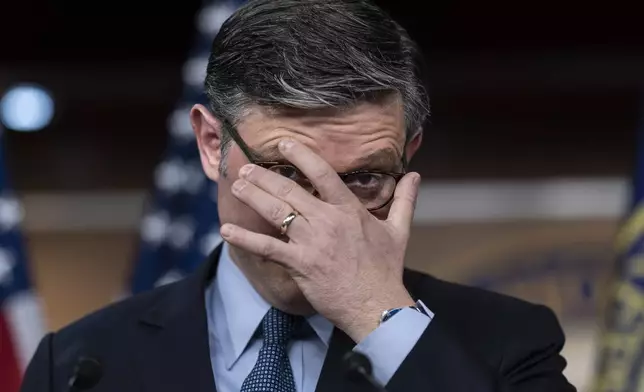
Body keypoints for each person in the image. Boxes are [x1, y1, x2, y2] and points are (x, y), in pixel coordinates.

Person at [20, 0, 576, 391]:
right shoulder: (80, 366)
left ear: (409, 155)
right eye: (284, 172)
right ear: (213, 145)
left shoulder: (506, 341)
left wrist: (378, 315)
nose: (318, 218)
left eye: (362, 180)